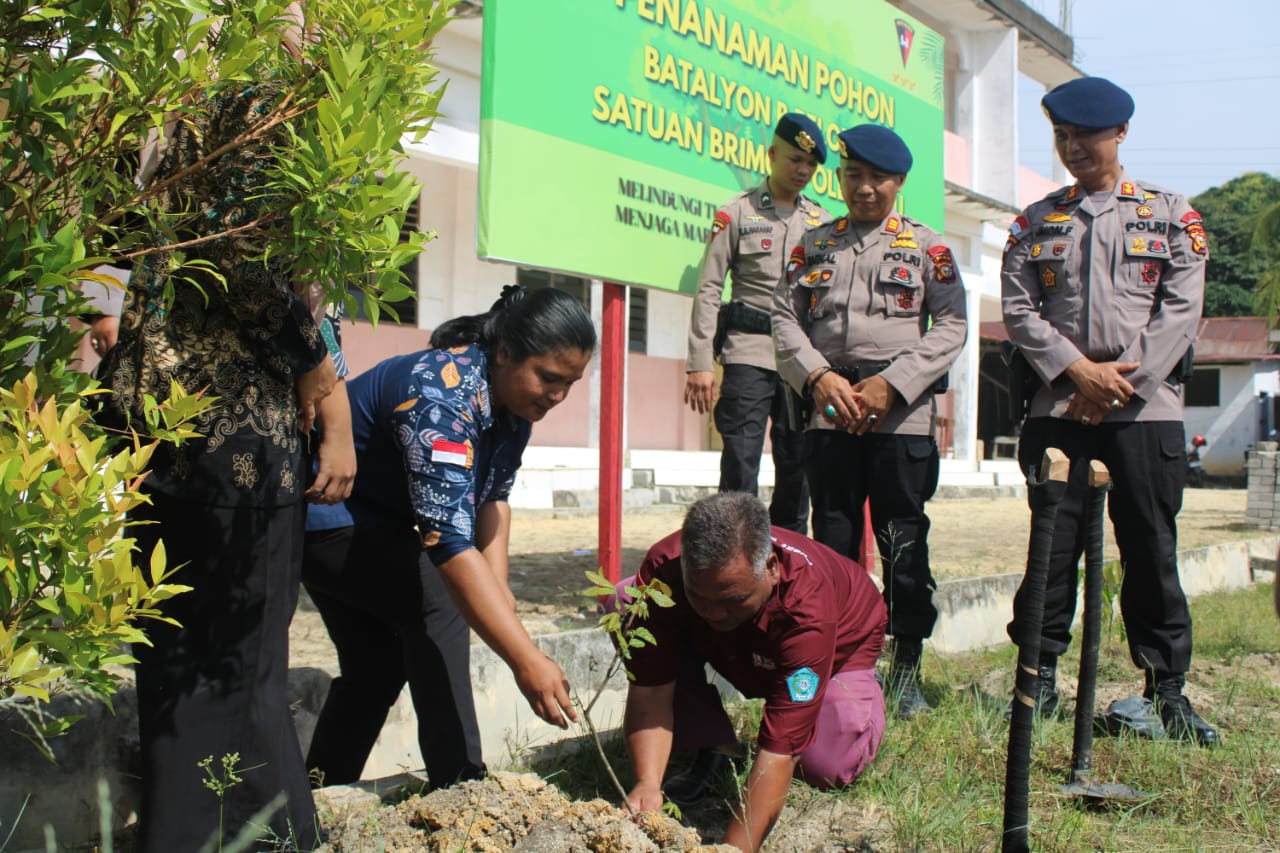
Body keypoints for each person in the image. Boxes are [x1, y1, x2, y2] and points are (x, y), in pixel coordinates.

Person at [98, 81, 337, 849]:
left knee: (177, 673)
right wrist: (314, 361)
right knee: (240, 678)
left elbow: (125, 226)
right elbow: (243, 252)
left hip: (160, 429)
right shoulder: (258, 99)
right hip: (233, 439)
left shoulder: (163, 94)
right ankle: (273, 840)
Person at [301, 286, 594, 787]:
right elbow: (449, 544)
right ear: (504, 352)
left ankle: (318, 793)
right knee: (441, 600)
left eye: (570, 383)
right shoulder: (442, 396)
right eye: (549, 378)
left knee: (376, 666)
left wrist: (498, 588)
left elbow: (493, 497)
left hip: (381, 526)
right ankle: (461, 784)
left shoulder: (513, 404)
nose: (557, 396)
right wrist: (527, 660)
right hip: (328, 519)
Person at [1001, 76, 1216, 746]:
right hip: (1058, 405)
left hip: (1144, 410)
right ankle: (1037, 679)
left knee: (1150, 546)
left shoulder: (1170, 214)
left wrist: (1119, 382)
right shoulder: (1035, 220)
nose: (1073, 148)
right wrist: (1077, 372)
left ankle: (1166, 688)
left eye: (1085, 136)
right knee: (1052, 550)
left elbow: (1181, 310)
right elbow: (1016, 308)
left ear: (1119, 134)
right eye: (1062, 137)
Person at [771, 124, 968, 719]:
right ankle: (835, 661)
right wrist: (818, 377)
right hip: (830, 412)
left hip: (899, 416)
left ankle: (905, 664)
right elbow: (784, 319)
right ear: (841, 177)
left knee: (901, 538)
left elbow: (953, 325)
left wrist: (894, 384)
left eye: (877, 178)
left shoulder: (927, 247)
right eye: (853, 175)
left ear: (898, 182)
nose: (863, 188)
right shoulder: (813, 243)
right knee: (830, 541)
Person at [621, 492, 886, 853]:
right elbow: (650, 690)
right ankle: (712, 739)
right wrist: (647, 784)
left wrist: (732, 849)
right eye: (700, 596)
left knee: (825, 766)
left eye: (731, 599)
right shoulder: (664, 570)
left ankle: (858, 696)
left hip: (840, 646)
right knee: (625, 600)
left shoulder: (807, 608)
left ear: (772, 568)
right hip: (743, 644)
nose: (714, 614)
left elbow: (779, 751)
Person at [685, 113, 832, 534]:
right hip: (748, 356)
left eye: (810, 164)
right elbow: (709, 288)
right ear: (771, 155)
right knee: (740, 462)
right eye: (793, 159)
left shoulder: (822, 224)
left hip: (800, 364)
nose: (802, 171)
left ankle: (787, 558)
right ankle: (733, 554)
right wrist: (699, 362)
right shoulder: (736, 214)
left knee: (797, 465)